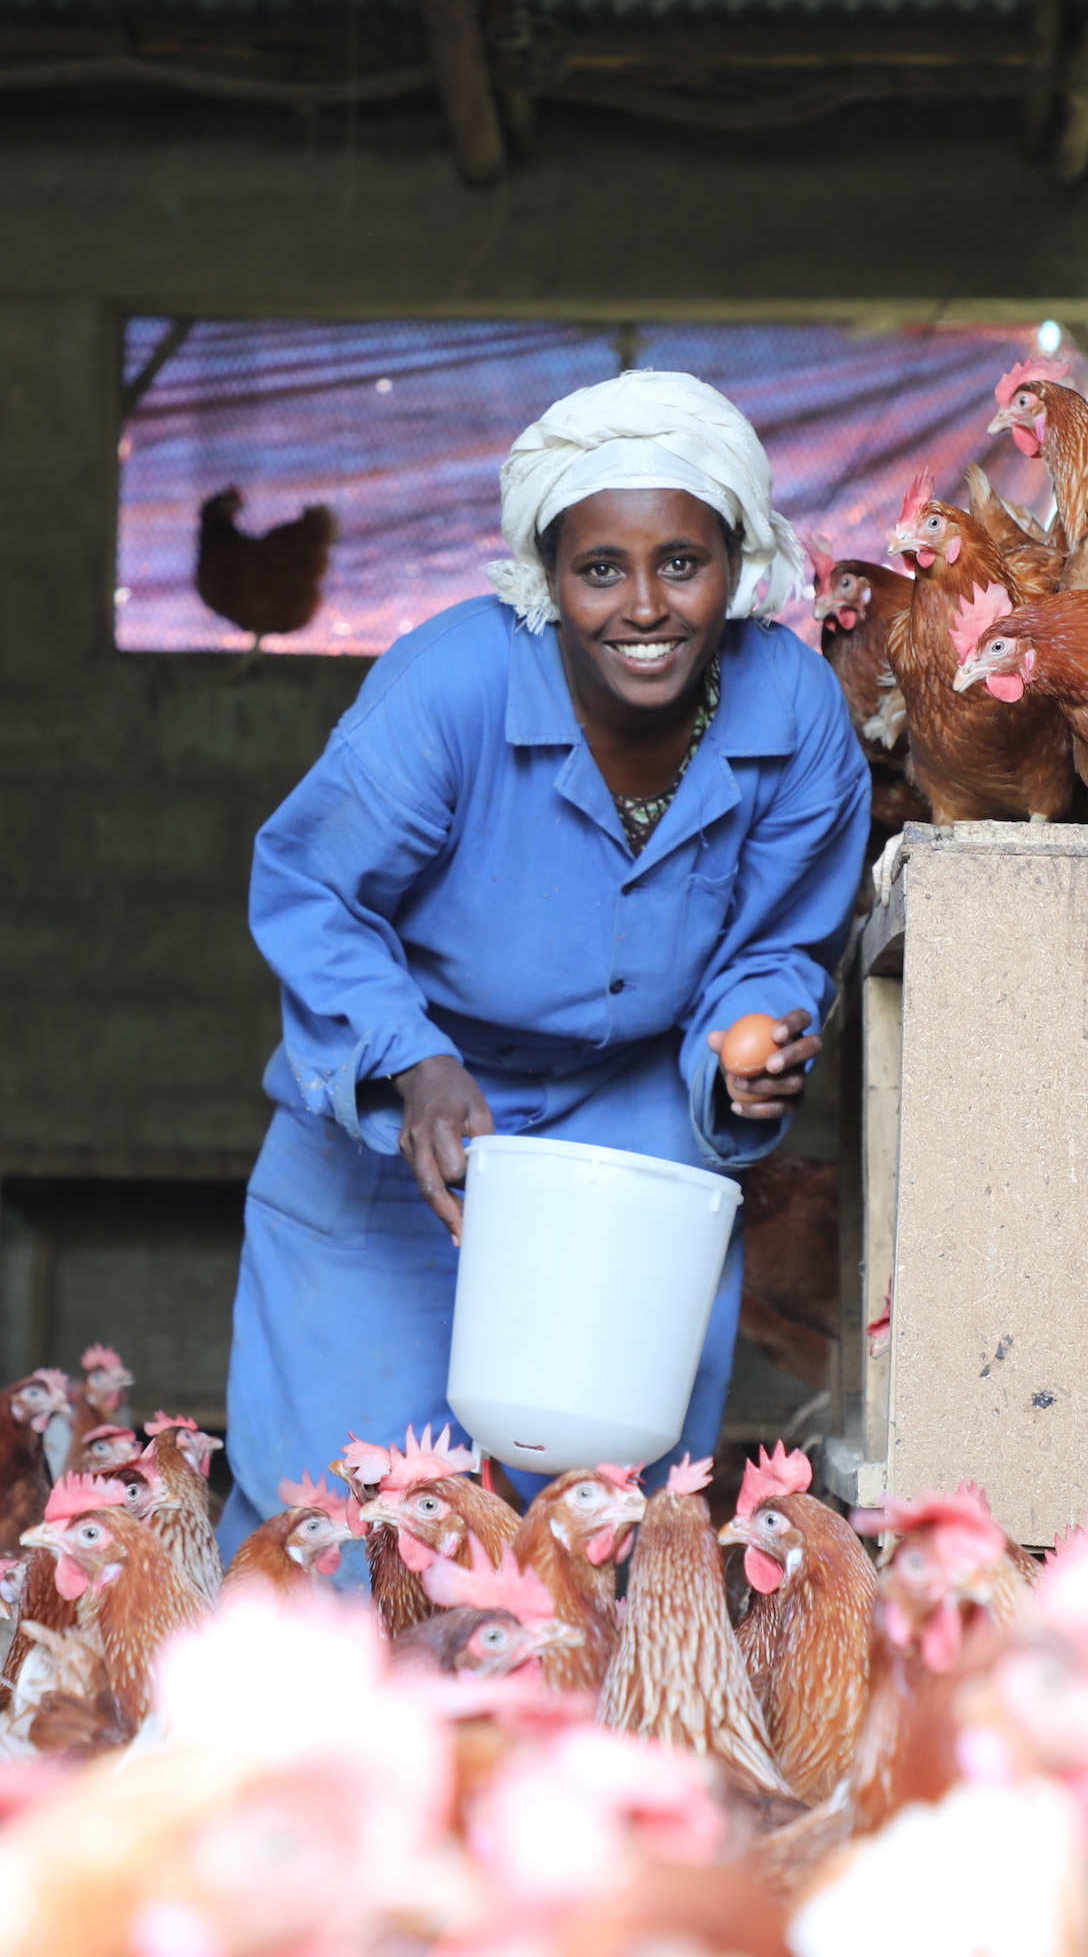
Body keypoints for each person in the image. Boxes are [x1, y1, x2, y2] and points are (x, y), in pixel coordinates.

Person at [216, 369, 871, 1555]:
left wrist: (751, 1041)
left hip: (628, 1115)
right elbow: (314, 888)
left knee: (597, 1530)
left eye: (682, 562)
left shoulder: (794, 710)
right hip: (411, 1111)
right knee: (333, 1521)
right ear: (546, 575)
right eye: (599, 568)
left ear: (740, 562)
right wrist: (412, 1059)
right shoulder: (452, 685)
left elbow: (779, 941)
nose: (644, 605)